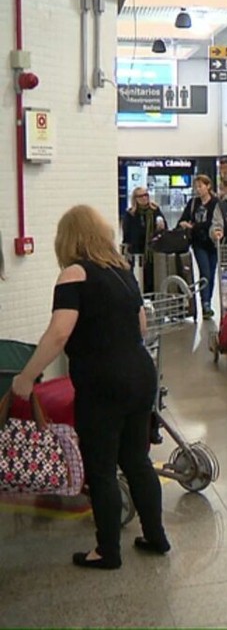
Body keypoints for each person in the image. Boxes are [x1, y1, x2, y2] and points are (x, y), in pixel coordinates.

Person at [11, 205, 169, 570]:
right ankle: (156, 536)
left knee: (100, 468)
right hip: (140, 374)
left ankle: (107, 551)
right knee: (136, 461)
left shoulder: (74, 274)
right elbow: (142, 327)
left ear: (68, 238)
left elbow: (59, 333)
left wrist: (25, 377)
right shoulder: (123, 270)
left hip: (103, 381)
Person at [177, 174, 219, 317]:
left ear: (208, 186)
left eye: (201, 186)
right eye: (196, 187)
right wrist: (186, 224)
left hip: (213, 243)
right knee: (205, 272)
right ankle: (205, 303)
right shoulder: (193, 203)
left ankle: (208, 299)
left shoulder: (216, 203)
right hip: (198, 243)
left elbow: (213, 223)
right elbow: (183, 219)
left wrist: (194, 226)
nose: (198, 189)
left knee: (212, 273)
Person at [121, 186, 166, 293]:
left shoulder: (155, 211)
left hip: (153, 253)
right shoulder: (130, 214)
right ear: (135, 198)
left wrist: (161, 226)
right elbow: (127, 235)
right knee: (136, 281)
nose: (144, 198)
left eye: (146, 195)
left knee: (152, 281)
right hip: (136, 253)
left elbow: (164, 230)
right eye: (141, 196)